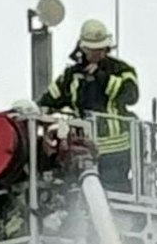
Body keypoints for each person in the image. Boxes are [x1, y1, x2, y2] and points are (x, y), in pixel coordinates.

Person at [38, 18, 139, 192]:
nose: (98, 53)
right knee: (80, 193)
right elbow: (50, 99)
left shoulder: (121, 70)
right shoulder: (72, 75)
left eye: (101, 49)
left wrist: (101, 77)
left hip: (116, 148)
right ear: (83, 48)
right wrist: (40, 110)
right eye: (93, 50)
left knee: (113, 191)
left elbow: (131, 95)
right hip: (83, 148)